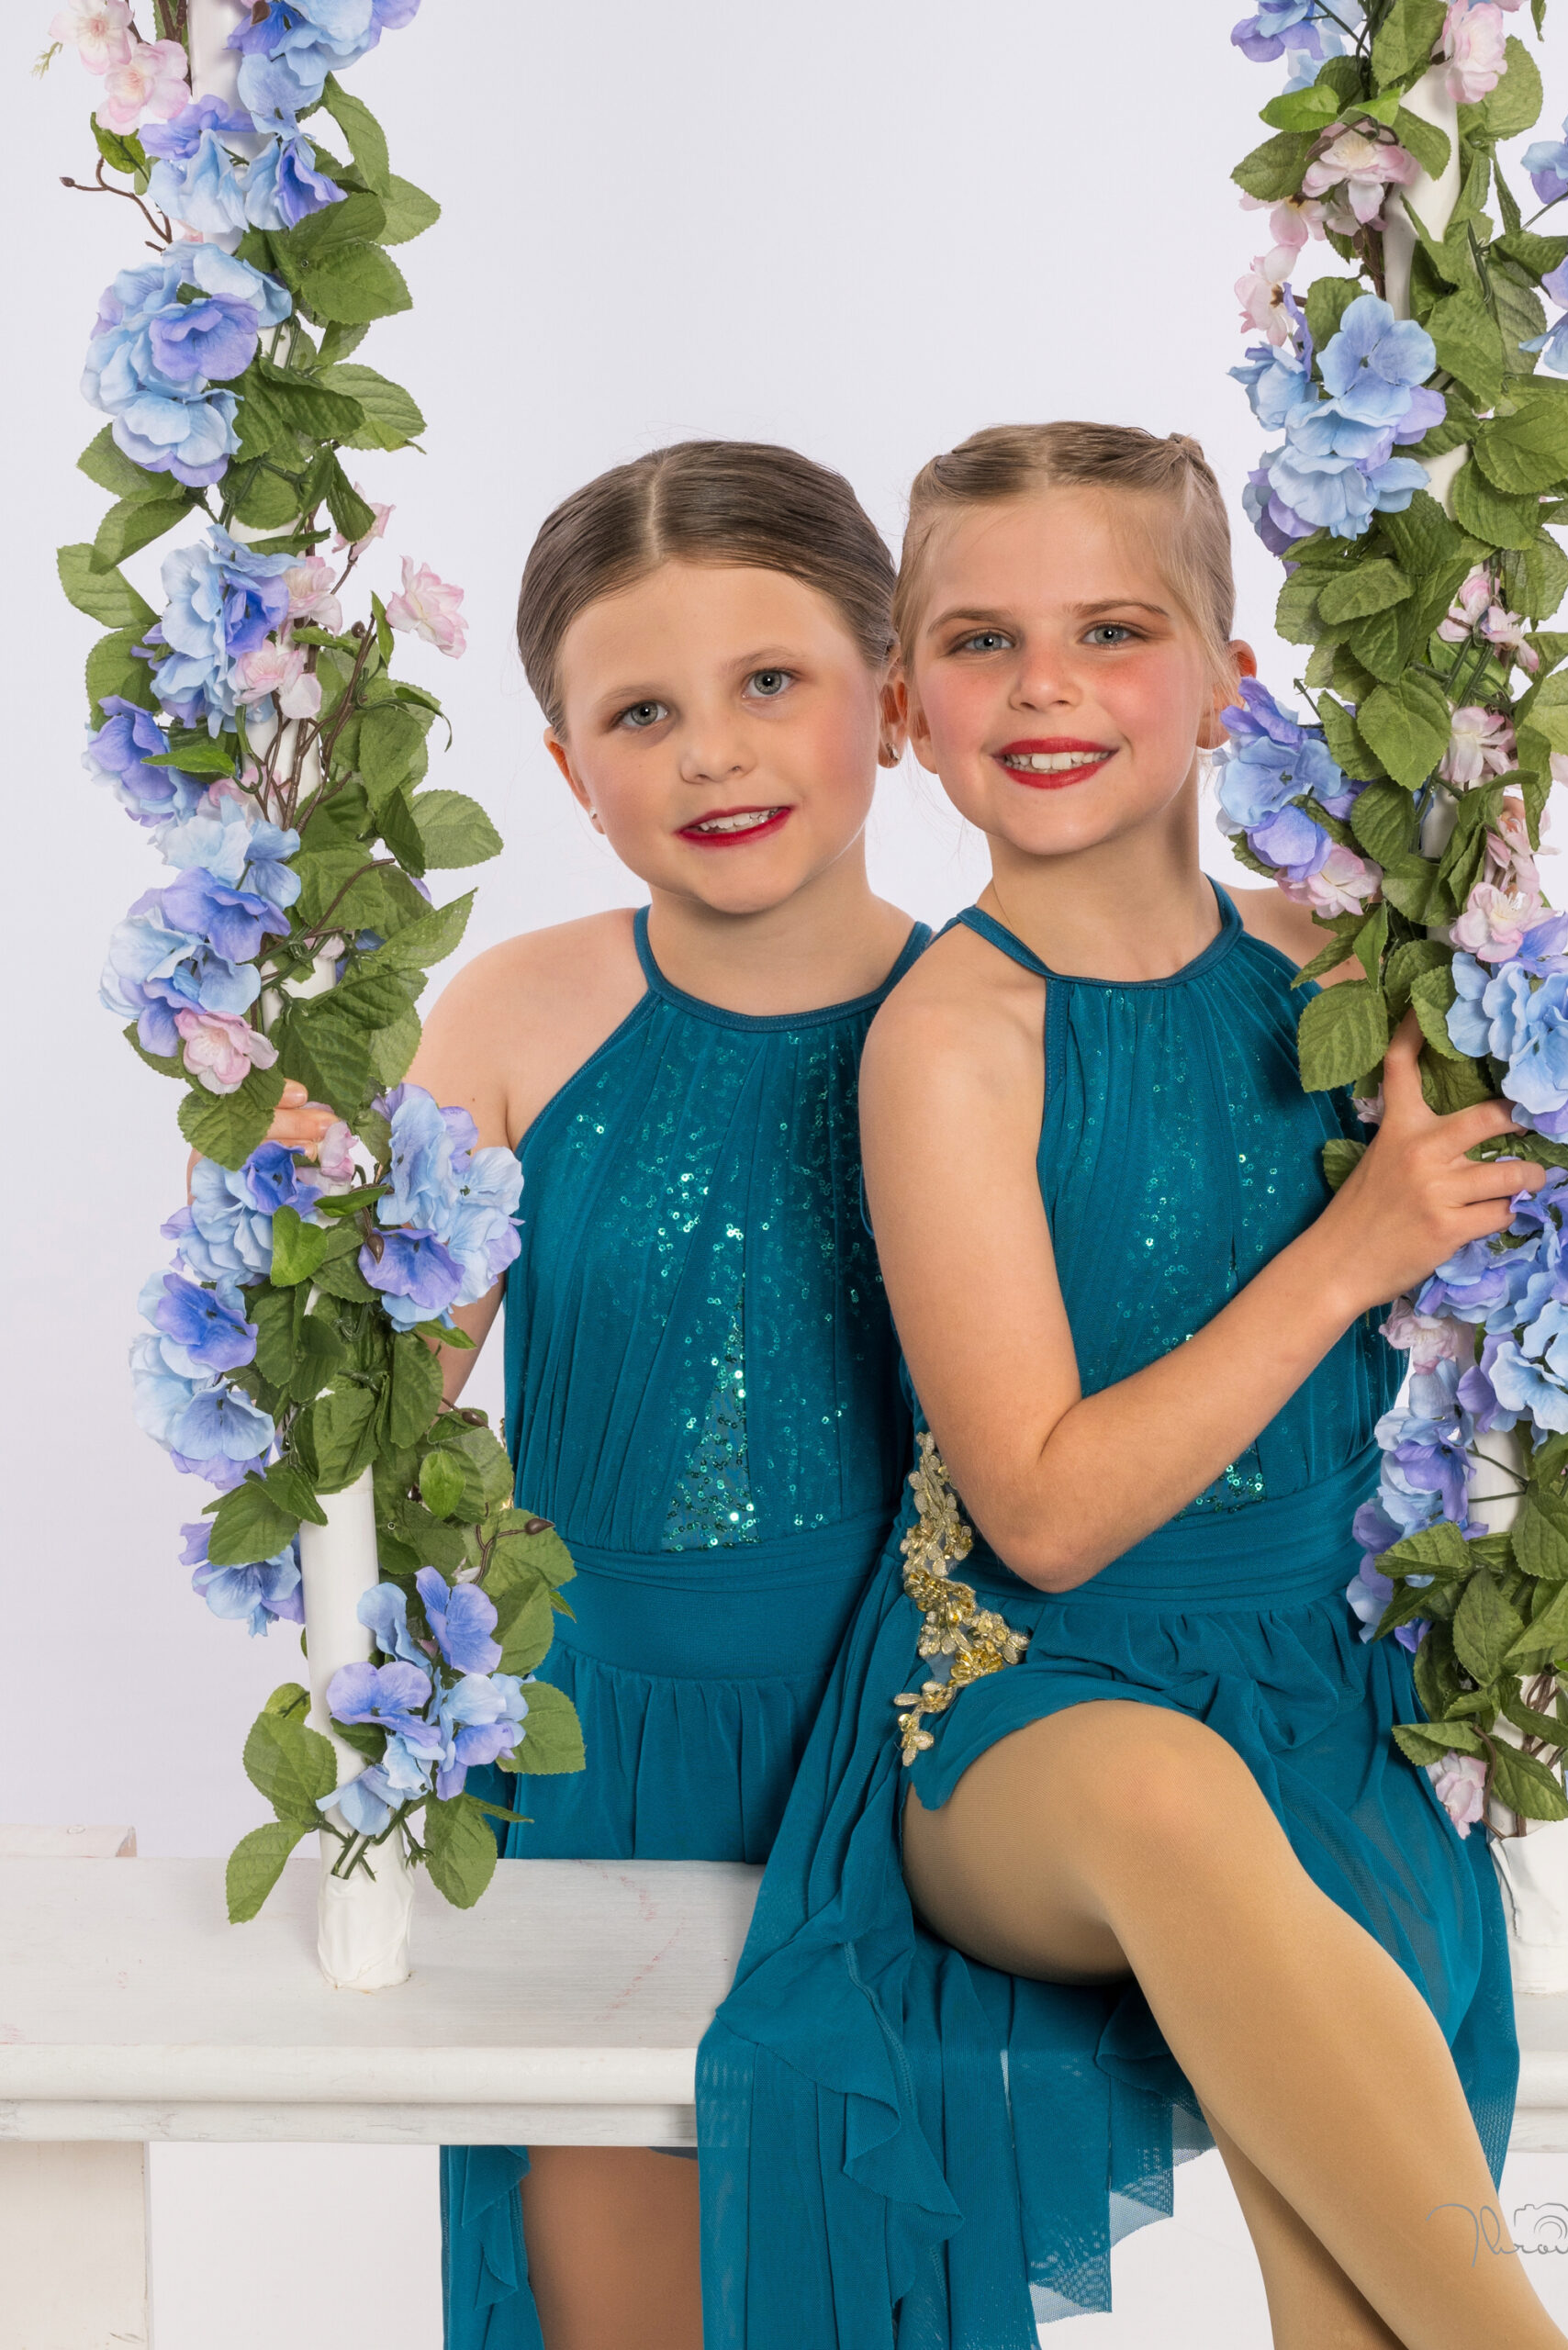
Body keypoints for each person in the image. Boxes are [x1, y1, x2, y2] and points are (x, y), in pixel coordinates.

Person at [697, 423, 1568, 2350]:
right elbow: (1042, 1511)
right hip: (1026, 1705)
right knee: (1176, 1806)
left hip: (1320, 1686)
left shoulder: (1341, 979)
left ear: (1226, 681)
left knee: (1347, 2262)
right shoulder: (954, 1037)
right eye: (983, 643)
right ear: (909, 709)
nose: (1048, 686)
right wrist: (1349, 1253)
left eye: (1112, 629)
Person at [269, 441, 928, 2350]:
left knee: (864, 2279)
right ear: (570, 768)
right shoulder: (517, 1010)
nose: (712, 751)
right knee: (604, 2293)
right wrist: (312, 1245)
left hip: (898, 1752)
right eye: (642, 713)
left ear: (893, 701)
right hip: (589, 1740)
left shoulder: (987, 1012)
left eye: (770, 680)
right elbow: (386, 1411)